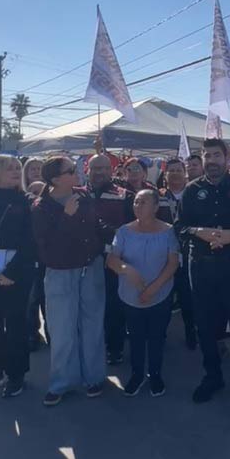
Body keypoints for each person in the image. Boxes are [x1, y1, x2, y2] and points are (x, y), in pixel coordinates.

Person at [176, 138, 230, 420]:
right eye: (207, 155)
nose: (211, 160)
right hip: (200, 267)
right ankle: (213, 376)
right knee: (205, 327)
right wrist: (198, 231)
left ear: (227, 157)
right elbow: (180, 226)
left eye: (216, 155)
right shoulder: (191, 190)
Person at [32, 157, 107, 407]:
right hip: (61, 273)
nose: (77, 173)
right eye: (71, 171)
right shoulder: (41, 207)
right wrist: (66, 217)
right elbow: (47, 250)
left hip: (90, 268)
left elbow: (96, 228)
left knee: (92, 325)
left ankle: (94, 378)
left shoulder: (84, 197)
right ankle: (61, 383)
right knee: (62, 330)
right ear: (55, 179)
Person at [107, 189, 180, 397]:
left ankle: (155, 375)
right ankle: (137, 374)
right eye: (136, 202)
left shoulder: (168, 232)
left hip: (160, 294)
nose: (138, 206)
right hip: (131, 296)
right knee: (136, 337)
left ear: (156, 207)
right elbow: (112, 259)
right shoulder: (123, 231)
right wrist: (125, 269)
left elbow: (172, 263)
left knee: (157, 337)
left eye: (144, 202)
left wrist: (153, 288)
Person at [0, 156, 35, 398]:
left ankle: (16, 374)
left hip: (18, 271)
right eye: (9, 168)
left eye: (17, 168)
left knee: (16, 324)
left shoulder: (26, 201)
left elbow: (29, 241)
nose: (15, 172)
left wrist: (9, 272)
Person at [87, 154, 134, 366]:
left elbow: (132, 228)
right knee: (88, 306)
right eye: (95, 168)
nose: (99, 173)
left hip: (112, 259)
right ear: (87, 169)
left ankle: (114, 348)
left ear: (111, 170)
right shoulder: (78, 193)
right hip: (83, 260)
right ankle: (92, 347)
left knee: (114, 306)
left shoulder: (125, 195)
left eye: (104, 168)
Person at [157, 158, 196, 350]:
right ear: (165, 175)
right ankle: (159, 335)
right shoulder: (158, 197)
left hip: (189, 254)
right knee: (163, 298)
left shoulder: (193, 195)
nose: (174, 174)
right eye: (170, 171)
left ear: (185, 173)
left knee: (188, 299)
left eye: (178, 170)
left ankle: (191, 333)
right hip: (164, 256)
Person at [22, 157, 47, 352]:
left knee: (48, 299)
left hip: (47, 257)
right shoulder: (20, 198)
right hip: (28, 258)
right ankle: (31, 334)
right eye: (33, 169)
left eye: (40, 168)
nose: (37, 171)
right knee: (30, 300)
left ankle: (52, 333)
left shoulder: (52, 197)